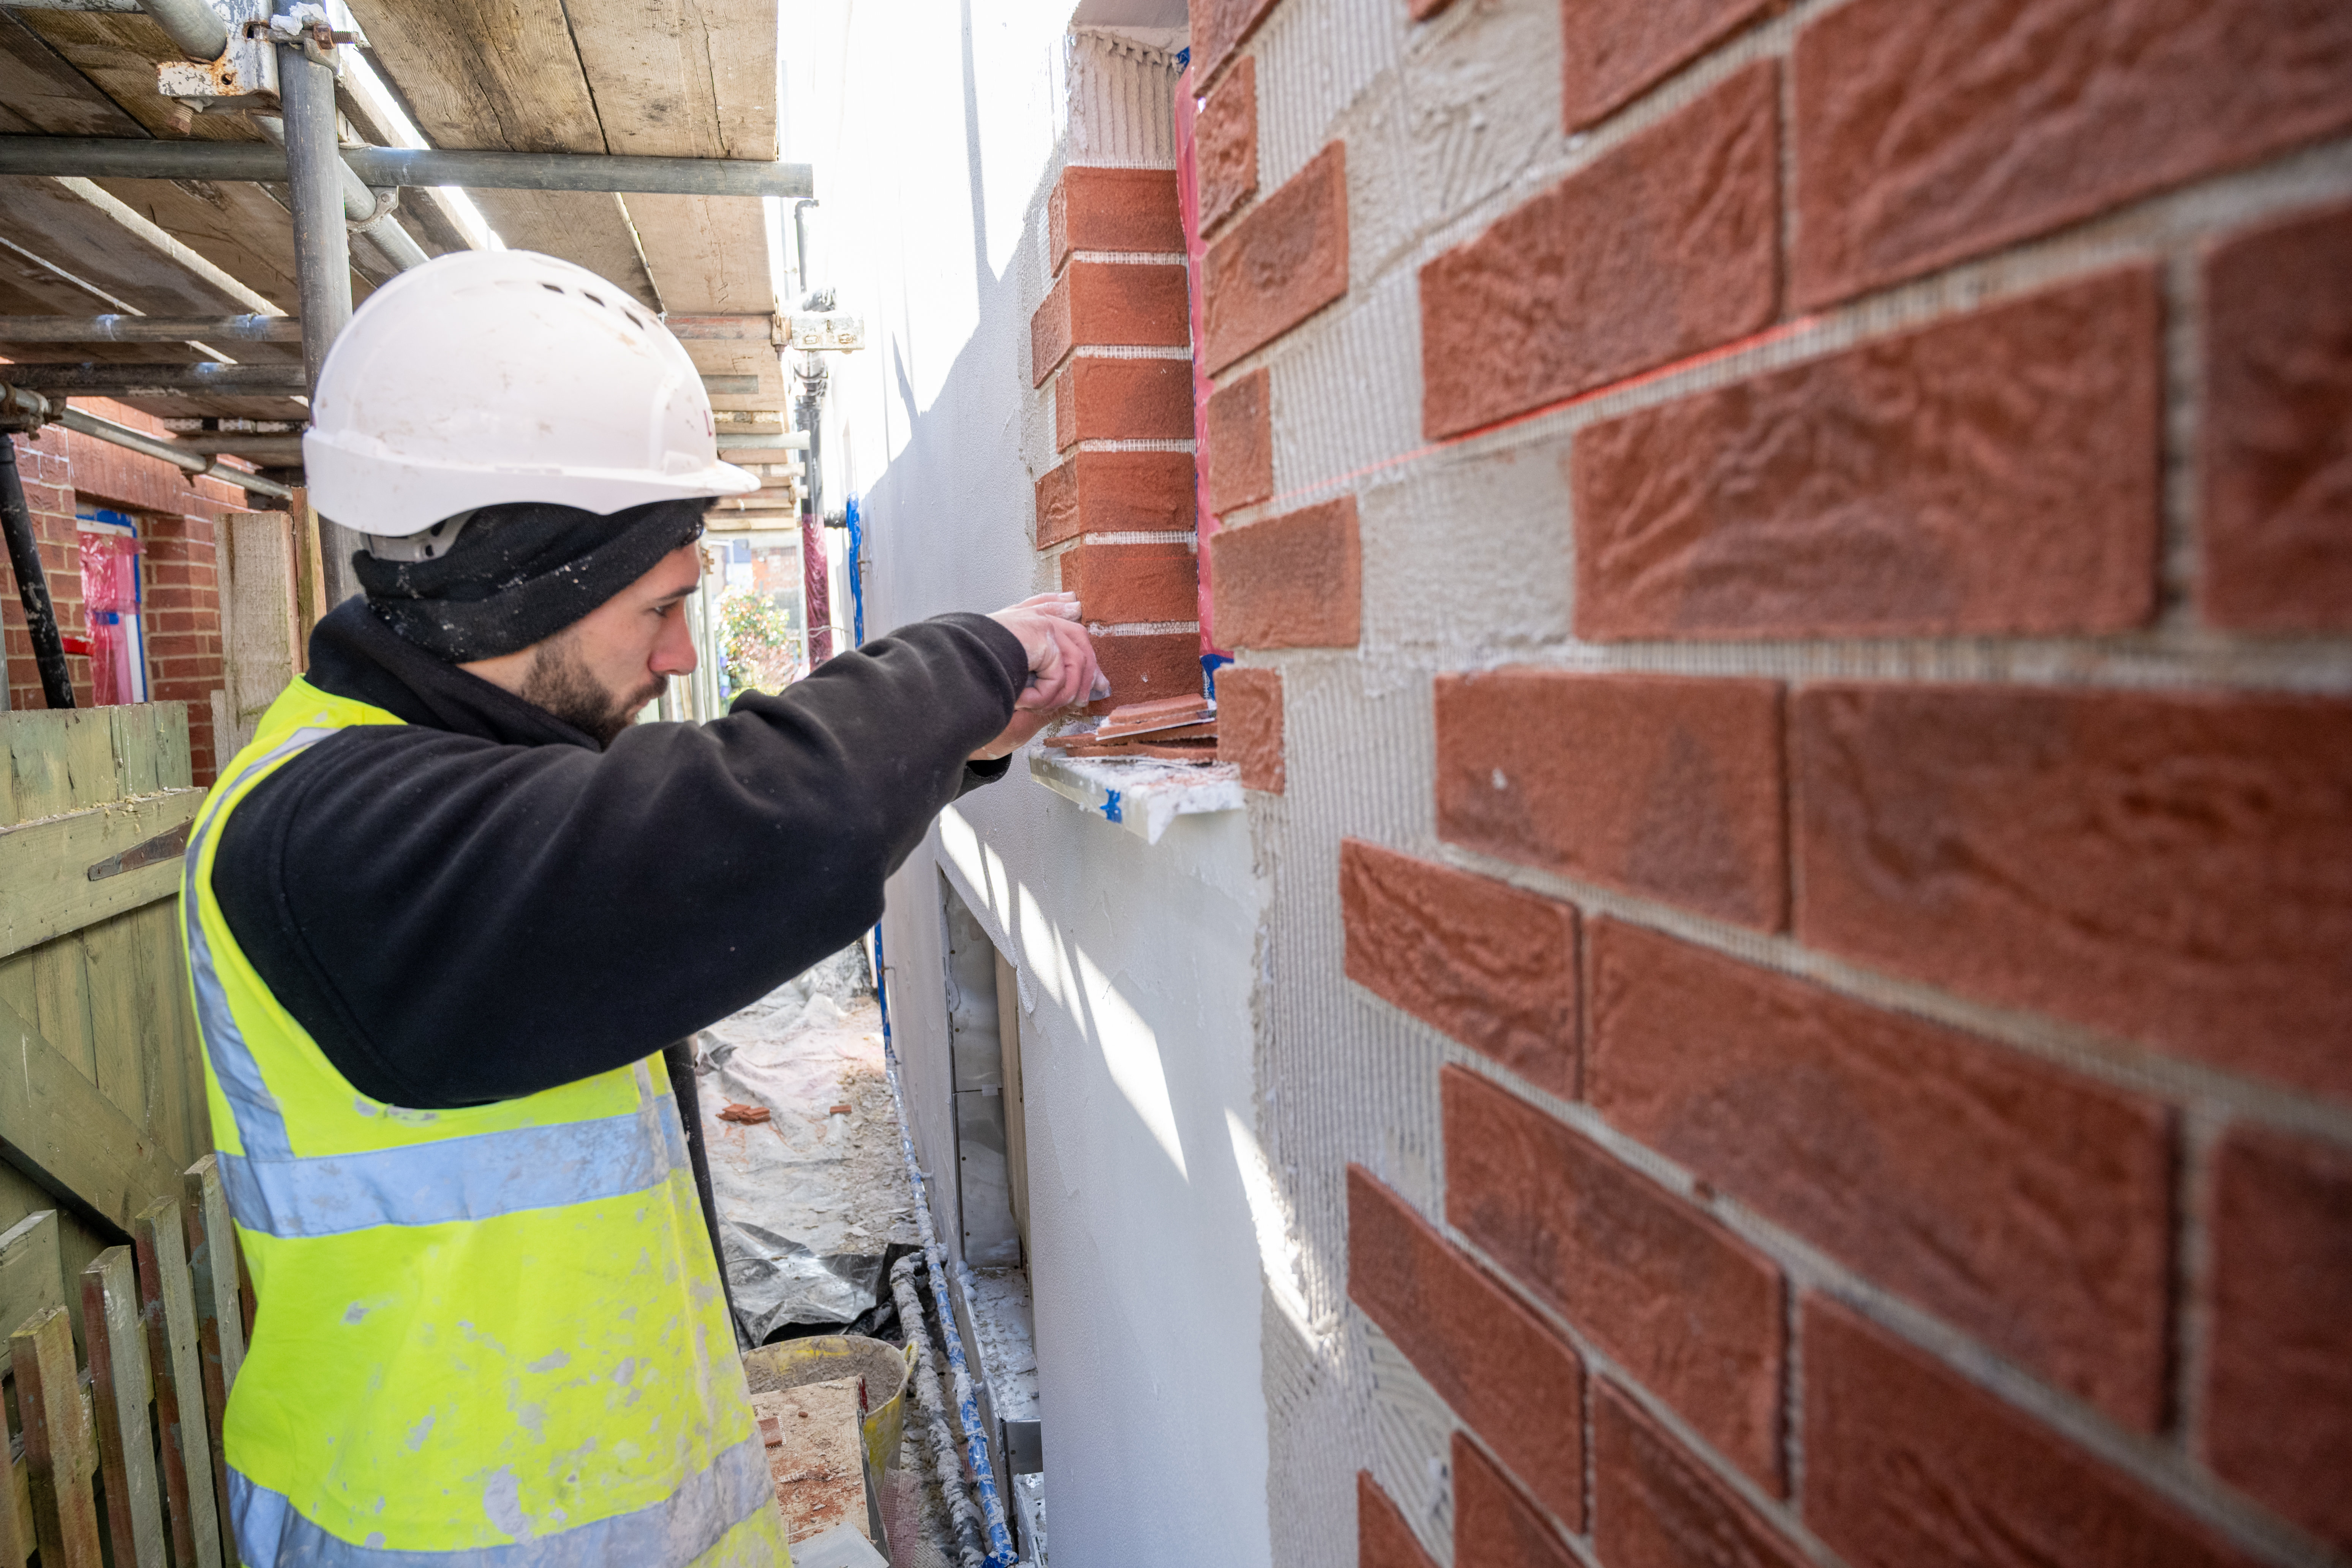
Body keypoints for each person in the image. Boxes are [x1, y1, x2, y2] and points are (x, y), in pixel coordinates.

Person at [183, 250, 1102, 1565]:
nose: (681, 658)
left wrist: (953, 747)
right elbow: (729, 831)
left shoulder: (432, 776)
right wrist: (976, 656)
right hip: (442, 1533)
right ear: (531, 588)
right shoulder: (326, 835)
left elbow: (661, 857)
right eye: (663, 609)